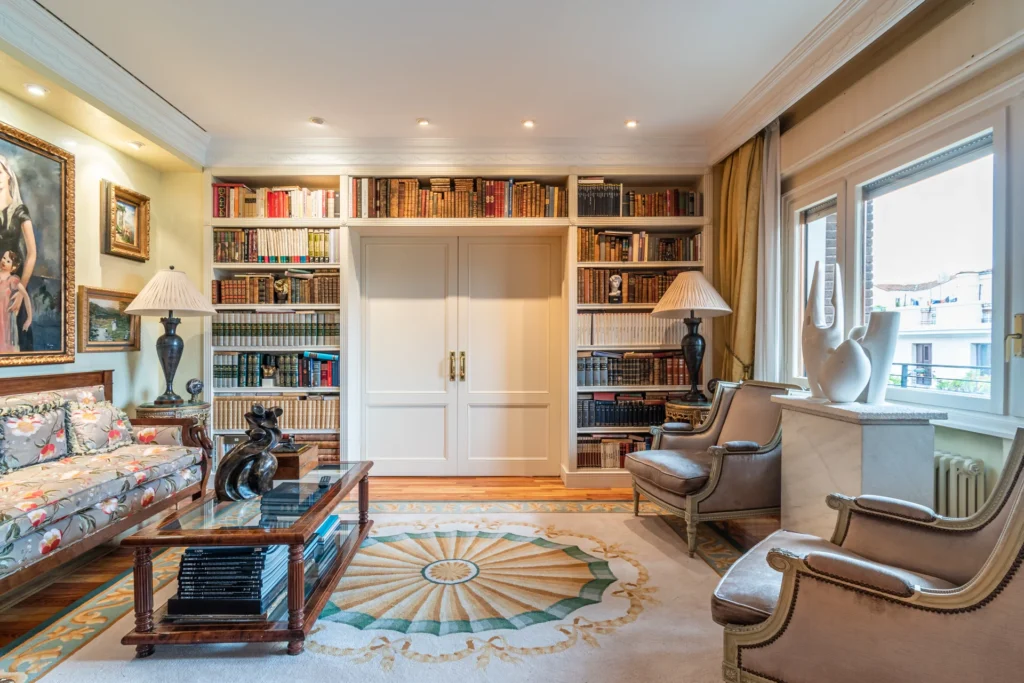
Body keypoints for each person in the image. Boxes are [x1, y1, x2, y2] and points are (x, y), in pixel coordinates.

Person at [0, 155, 37, 352]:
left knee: (16, 336)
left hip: (13, 281)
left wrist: (21, 292)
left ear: (8, 175)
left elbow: (32, 254)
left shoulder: (19, 210)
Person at [0, 250, 32, 352]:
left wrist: (29, 319)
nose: (4, 261)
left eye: (8, 261)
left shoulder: (12, 280)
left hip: (5, 320)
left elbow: (26, 296)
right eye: (4, 258)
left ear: (13, 267)